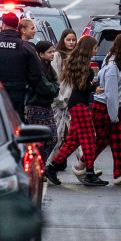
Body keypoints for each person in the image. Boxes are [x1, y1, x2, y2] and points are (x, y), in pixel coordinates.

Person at [43, 35, 108, 187]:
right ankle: (90, 173)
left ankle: (51, 168)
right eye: (94, 48)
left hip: (76, 104)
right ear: (88, 49)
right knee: (89, 139)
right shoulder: (83, 65)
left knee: (73, 140)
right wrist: (94, 87)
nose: (96, 50)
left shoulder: (76, 62)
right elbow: (82, 86)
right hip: (80, 105)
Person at [0, 11, 43, 120]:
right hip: (18, 97)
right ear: (16, 27)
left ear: (3, 25)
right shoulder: (26, 48)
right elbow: (37, 74)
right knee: (16, 125)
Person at [89, 33, 121, 185]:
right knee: (101, 140)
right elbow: (111, 94)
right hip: (107, 108)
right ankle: (83, 164)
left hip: (115, 107)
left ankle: (120, 174)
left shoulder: (119, 63)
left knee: (119, 142)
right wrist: (114, 115)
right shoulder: (113, 67)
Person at [25, 41, 59, 164]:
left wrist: (54, 88)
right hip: (35, 107)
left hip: (47, 106)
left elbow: (56, 85)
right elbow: (46, 88)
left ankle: (39, 164)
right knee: (37, 140)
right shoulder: (37, 68)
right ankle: (35, 165)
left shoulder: (50, 68)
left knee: (53, 138)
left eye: (53, 52)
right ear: (41, 54)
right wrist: (54, 88)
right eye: (49, 52)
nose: (52, 55)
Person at [49, 29, 77, 167]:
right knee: (58, 133)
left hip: (74, 100)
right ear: (63, 40)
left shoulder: (77, 56)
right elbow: (55, 77)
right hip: (60, 100)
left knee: (75, 135)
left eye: (73, 40)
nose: (71, 42)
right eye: (68, 40)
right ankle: (51, 163)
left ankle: (84, 165)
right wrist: (59, 98)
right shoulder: (57, 56)